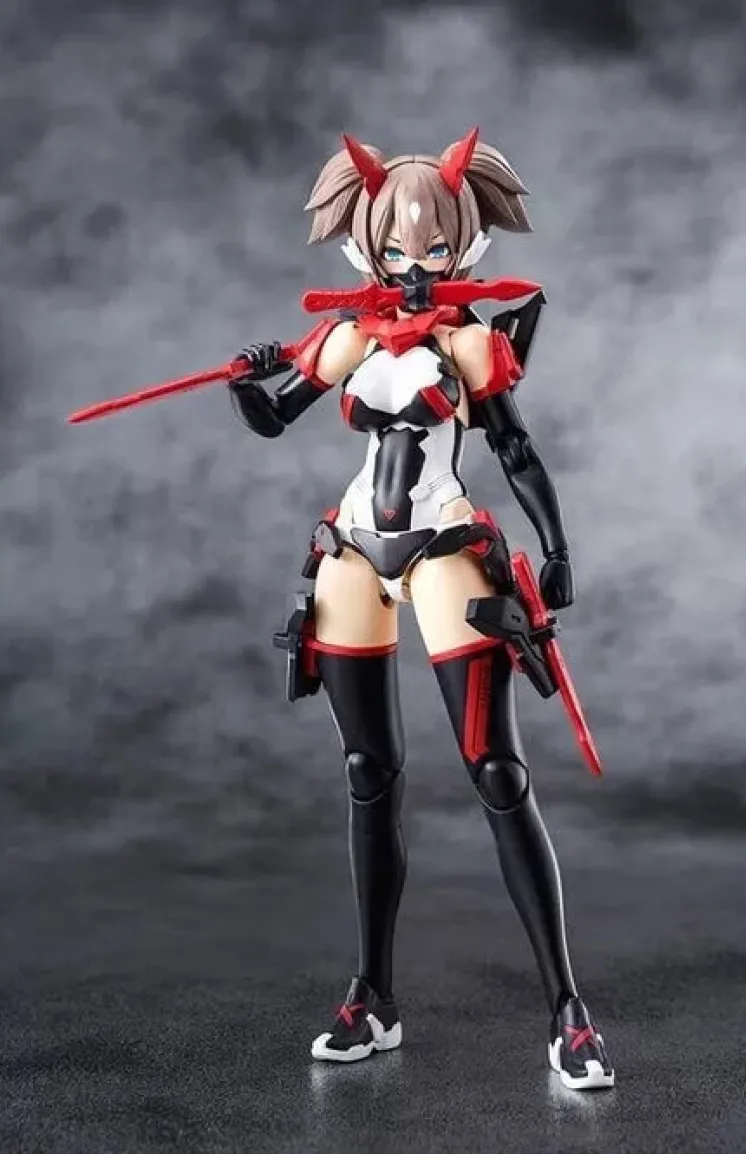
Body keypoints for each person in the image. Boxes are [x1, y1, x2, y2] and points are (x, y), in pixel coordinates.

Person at [228, 129, 614, 1091]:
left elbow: (515, 451)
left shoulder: (472, 343)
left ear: (463, 244)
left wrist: (557, 548)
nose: (413, 267)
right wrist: (246, 380)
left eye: (433, 249)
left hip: (443, 544)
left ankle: (568, 1012)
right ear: (367, 247)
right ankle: (373, 996)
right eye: (397, 250)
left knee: (496, 770)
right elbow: (276, 416)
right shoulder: (348, 339)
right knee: (368, 772)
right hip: (351, 548)